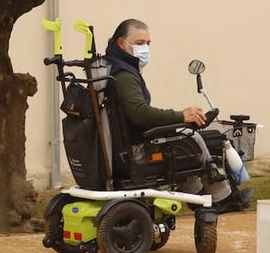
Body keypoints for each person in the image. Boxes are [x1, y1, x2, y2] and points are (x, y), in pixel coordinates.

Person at [104, 18, 245, 209]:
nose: (145, 48)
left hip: (129, 143)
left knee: (183, 137)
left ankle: (198, 196)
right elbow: (140, 114)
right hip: (135, 151)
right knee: (190, 137)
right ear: (122, 43)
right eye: (139, 43)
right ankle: (222, 198)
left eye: (147, 43)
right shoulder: (124, 76)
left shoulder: (118, 68)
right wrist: (181, 116)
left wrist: (180, 119)